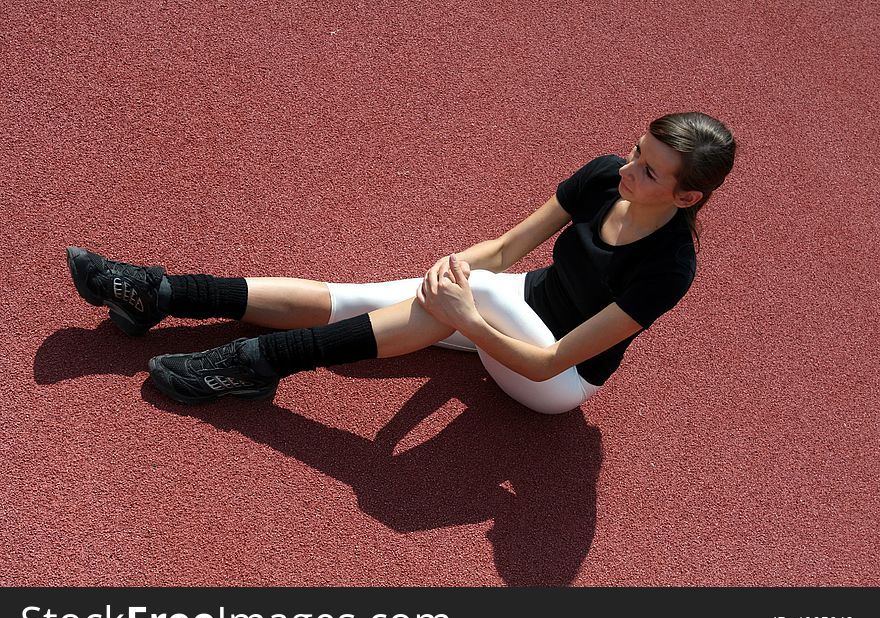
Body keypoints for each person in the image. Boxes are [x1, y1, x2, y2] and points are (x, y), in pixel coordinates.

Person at [66, 111, 736, 415]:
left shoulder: (670, 268)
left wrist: (464, 314)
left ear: (687, 197)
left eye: (647, 171)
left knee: (464, 297)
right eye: (634, 149)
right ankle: (163, 294)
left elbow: (550, 362)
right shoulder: (602, 177)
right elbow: (502, 250)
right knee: (360, 295)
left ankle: (261, 362)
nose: (625, 169)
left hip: (552, 378)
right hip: (503, 307)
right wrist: (448, 269)